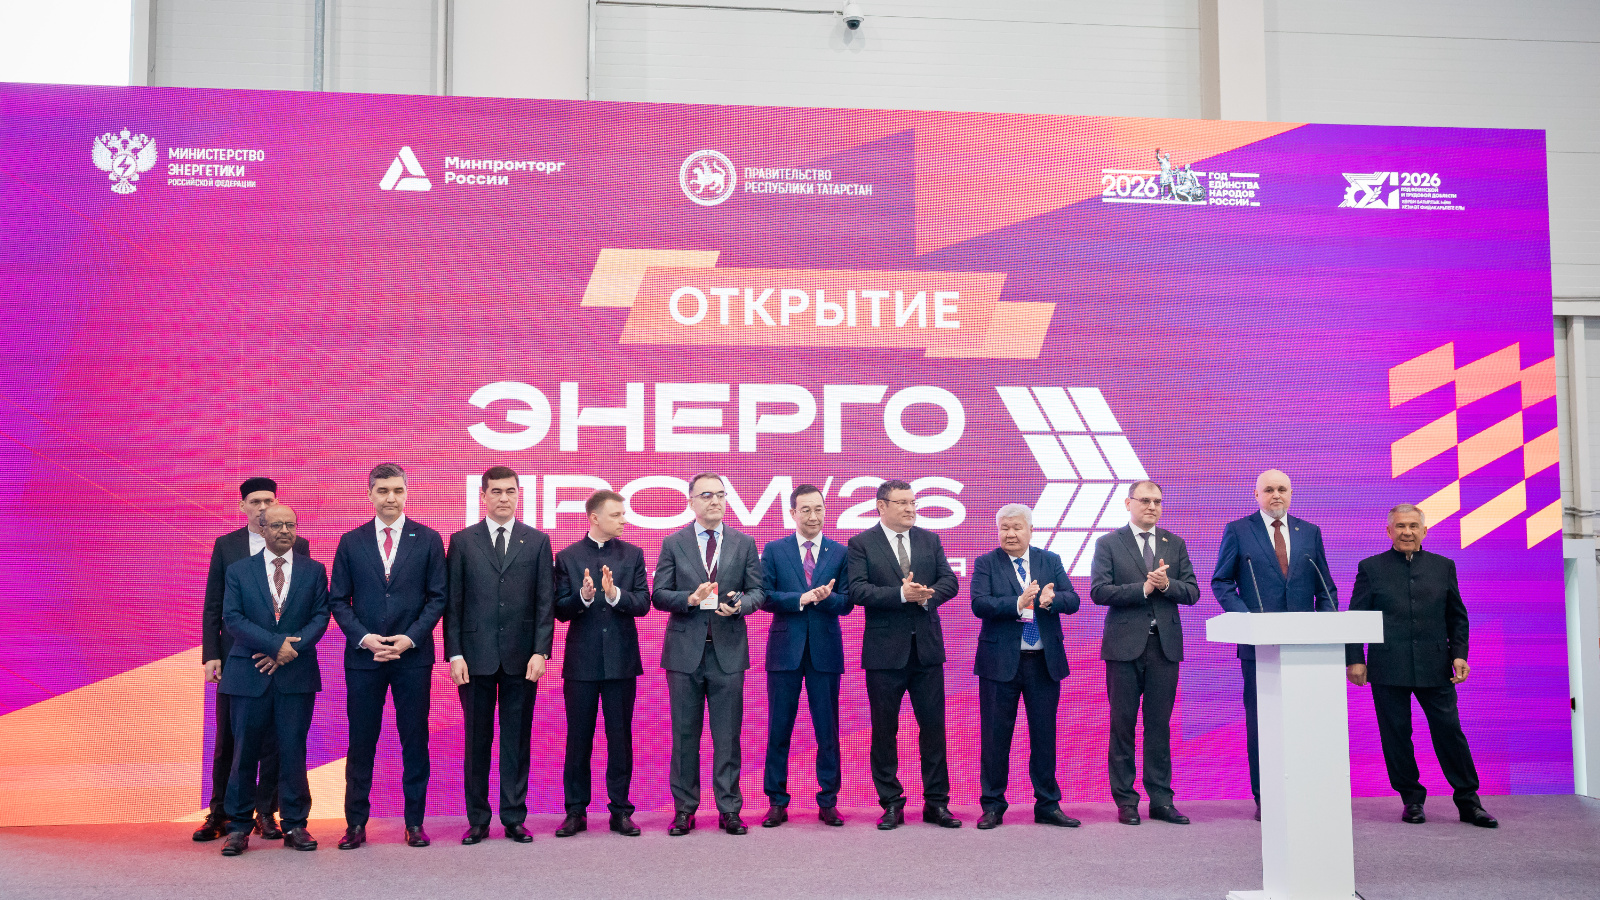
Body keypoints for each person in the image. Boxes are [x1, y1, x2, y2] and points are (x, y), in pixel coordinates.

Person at [1345, 504, 1497, 828]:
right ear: (1389, 531)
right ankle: (1411, 799)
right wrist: (1355, 659)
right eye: (1400, 526)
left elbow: (1457, 617)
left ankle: (1469, 802)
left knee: (1449, 732)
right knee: (1396, 736)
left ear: (1424, 531)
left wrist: (1459, 654)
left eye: (1414, 526)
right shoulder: (1370, 568)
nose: (1407, 532)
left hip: (1435, 666)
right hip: (1388, 666)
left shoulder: (1444, 566)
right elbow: (1355, 618)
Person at [329, 463, 447, 848]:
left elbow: (438, 598)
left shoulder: (428, 539)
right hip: (364, 660)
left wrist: (409, 639)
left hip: (412, 658)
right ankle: (355, 825)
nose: (390, 498)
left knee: (414, 741)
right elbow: (338, 600)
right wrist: (365, 639)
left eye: (397, 490)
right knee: (361, 742)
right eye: (382, 491)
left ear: (407, 493)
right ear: (369, 495)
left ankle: (415, 823)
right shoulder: (351, 541)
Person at [1212, 469, 1337, 819]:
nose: (1276, 495)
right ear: (1257, 495)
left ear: (1291, 493)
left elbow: (1325, 586)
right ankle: (1265, 797)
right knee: (1262, 723)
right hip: (1259, 647)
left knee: (1304, 723)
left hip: (1306, 648)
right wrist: (1247, 620)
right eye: (1268, 490)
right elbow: (1222, 582)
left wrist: (1328, 626)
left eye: (1282, 489)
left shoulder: (1310, 532)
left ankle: (1305, 792)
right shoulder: (1239, 530)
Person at [444, 466, 554, 845]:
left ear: (519, 495)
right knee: (476, 741)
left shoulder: (537, 541)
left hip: (522, 659)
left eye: (510, 491)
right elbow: (453, 604)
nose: (503, 498)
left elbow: (545, 602)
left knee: (516, 741)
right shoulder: (462, 541)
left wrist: (541, 651)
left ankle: (513, 816)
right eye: (496, 491)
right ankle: (477, 819)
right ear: (483, 496)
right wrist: (454, 653)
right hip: (474, 657)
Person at [651, 473, 765, 836]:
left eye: (720, 495)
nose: (715, 501)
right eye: (706, 495)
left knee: (727, 736)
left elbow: (758, 591)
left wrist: (742, 605)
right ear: (691, 502)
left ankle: (729, 809)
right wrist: (689, 599)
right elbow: (658, 594)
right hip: (684, 653)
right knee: (684, 736)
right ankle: (684, 809)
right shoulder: (673, 542)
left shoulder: (744, 543)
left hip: (728, 652)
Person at [196, 477, 307, 843]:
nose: (262, 507)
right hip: (237, 658)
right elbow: (215, 604)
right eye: (255, 501)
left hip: (283, 660)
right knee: (230, 739)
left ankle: (266, 813)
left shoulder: (298, 545)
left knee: (275, 742)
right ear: (242, 506)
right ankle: (220, 813)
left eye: (269, 500)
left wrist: (281, 649)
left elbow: (300, 604)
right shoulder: (227, 545)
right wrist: (211, 654)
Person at [846, 479, 961, 830]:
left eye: (913, 502)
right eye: (902, 503)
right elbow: (857, 591)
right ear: (881, 506)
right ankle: (891, 802)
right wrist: (899, 595)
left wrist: (926, 596)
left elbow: (950, 582)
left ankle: (937, 803)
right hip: (884, 654)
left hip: (927, 651)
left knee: (934, 730)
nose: (911, 509)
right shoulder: (861, 543)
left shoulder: (930, 539)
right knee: (884, 731)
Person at [218, 504, 329, 856]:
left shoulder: (314, 570)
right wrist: (273, 645)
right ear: (262, 529)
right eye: (277, 525)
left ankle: (295, 824)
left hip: (296, 675)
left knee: (293, 752)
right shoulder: (239, 570)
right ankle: (238, 827)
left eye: (291, 525)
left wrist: (288, 650)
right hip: (248, 674)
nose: (285, 531)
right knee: (244, 753)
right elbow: (232, 618)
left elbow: (320, 616)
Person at [1089, 480, 1200, 826]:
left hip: (1164, 648)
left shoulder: (1174, 543)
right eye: (1145, 500)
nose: (1152, 507)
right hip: (1123, 648)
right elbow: (1099, 591)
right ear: (1128, 503)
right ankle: (1126, 801)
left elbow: (1192, 592)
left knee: (1159, 726)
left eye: (1157, 501)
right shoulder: (1109, 543)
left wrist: (1167, 585)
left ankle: (1161, 800)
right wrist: (1144, 588)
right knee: (1122, 726)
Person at [969, 503, 1080, 829]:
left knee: (1044, 736)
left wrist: (1052, 600)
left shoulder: (1050, 560)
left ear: (1031, 530)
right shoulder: (986, 563)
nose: (1010, 534)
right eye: (1004, 528)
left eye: (1017, 527)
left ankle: (1047, 804)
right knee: (995, 737)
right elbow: (979, 604)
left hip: (1043, 663)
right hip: (999, 664)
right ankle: (992, 805)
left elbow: (1073, 599)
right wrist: (1017, 603)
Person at [552, 490, 651, 838]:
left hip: (621, 662)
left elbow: (643, 603)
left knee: (620, 738)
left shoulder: (633, 554)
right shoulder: (567, 556)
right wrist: (584, 597)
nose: (624, 520)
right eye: (617, 515)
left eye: (623, 514)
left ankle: (620, 811)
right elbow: (559, 610)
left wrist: (614, 595)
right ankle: (575, 811)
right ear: (594, 518)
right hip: (581, 663)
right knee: (578, 738)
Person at [758, 483, 852, 828]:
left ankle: (828, 801)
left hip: (825, 652)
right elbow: (764, 596)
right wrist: (802, 598)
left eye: (819, 509)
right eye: (806, 510)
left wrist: (826, 598)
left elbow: (848, 602)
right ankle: (776, 801)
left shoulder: (840, 553)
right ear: (792, 513)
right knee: (779, 729)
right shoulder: (774, 550)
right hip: (784, 652)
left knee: (827, 731)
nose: (813, 516)